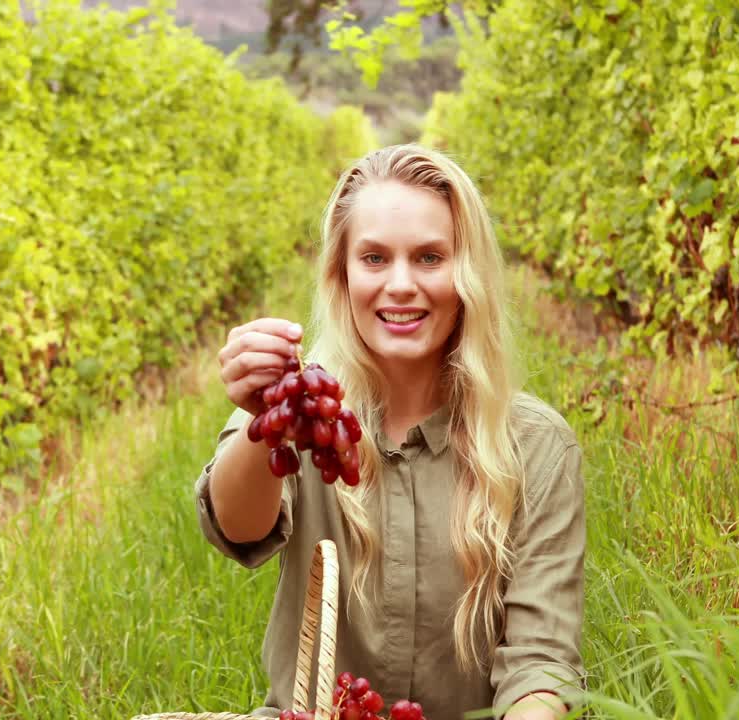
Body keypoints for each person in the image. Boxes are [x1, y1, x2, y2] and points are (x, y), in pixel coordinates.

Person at [197, 144, 585, 720]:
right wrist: (262, 424)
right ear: (342, 273)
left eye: (430, 258)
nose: (400, 284)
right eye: (374, 259)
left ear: (468, 273)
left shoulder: (536, 445)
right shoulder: (307, 413)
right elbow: (237, 526)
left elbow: (540, 660)